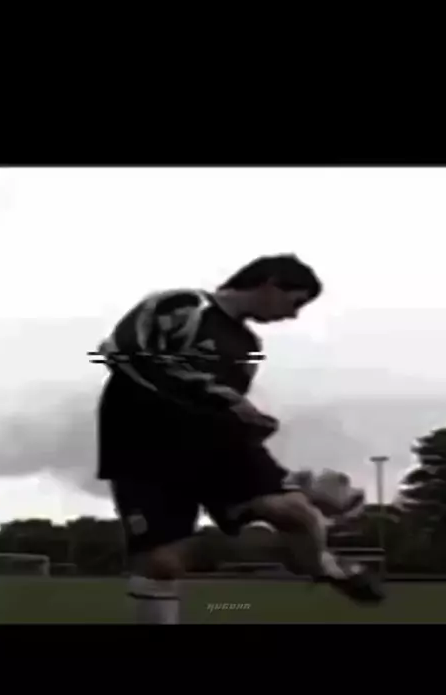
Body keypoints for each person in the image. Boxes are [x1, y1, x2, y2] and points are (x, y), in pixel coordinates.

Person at [92, 254, 383, 623]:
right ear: (270, 284)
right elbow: (124, 352)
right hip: (142, 446)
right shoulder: (182, 305)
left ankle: (326, 566)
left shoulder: (248, 346)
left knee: (291, 511)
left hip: (212, 447)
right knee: (161, 564)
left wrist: (252, 426)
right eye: (295, 302)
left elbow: (222, 407)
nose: (293, 316)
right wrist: (226, 401)